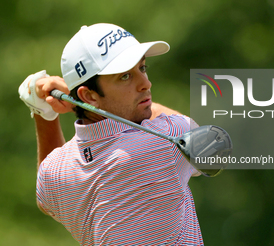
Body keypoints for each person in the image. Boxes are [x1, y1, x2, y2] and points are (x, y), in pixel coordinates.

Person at [18, 23, 203, 245]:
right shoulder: (166, 141)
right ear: (90, 96)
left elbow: (45, 200)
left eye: (142, 68)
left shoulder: (54, 174)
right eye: (125, 76)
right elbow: (208, 146)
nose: (146, 83)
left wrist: (43, 111)